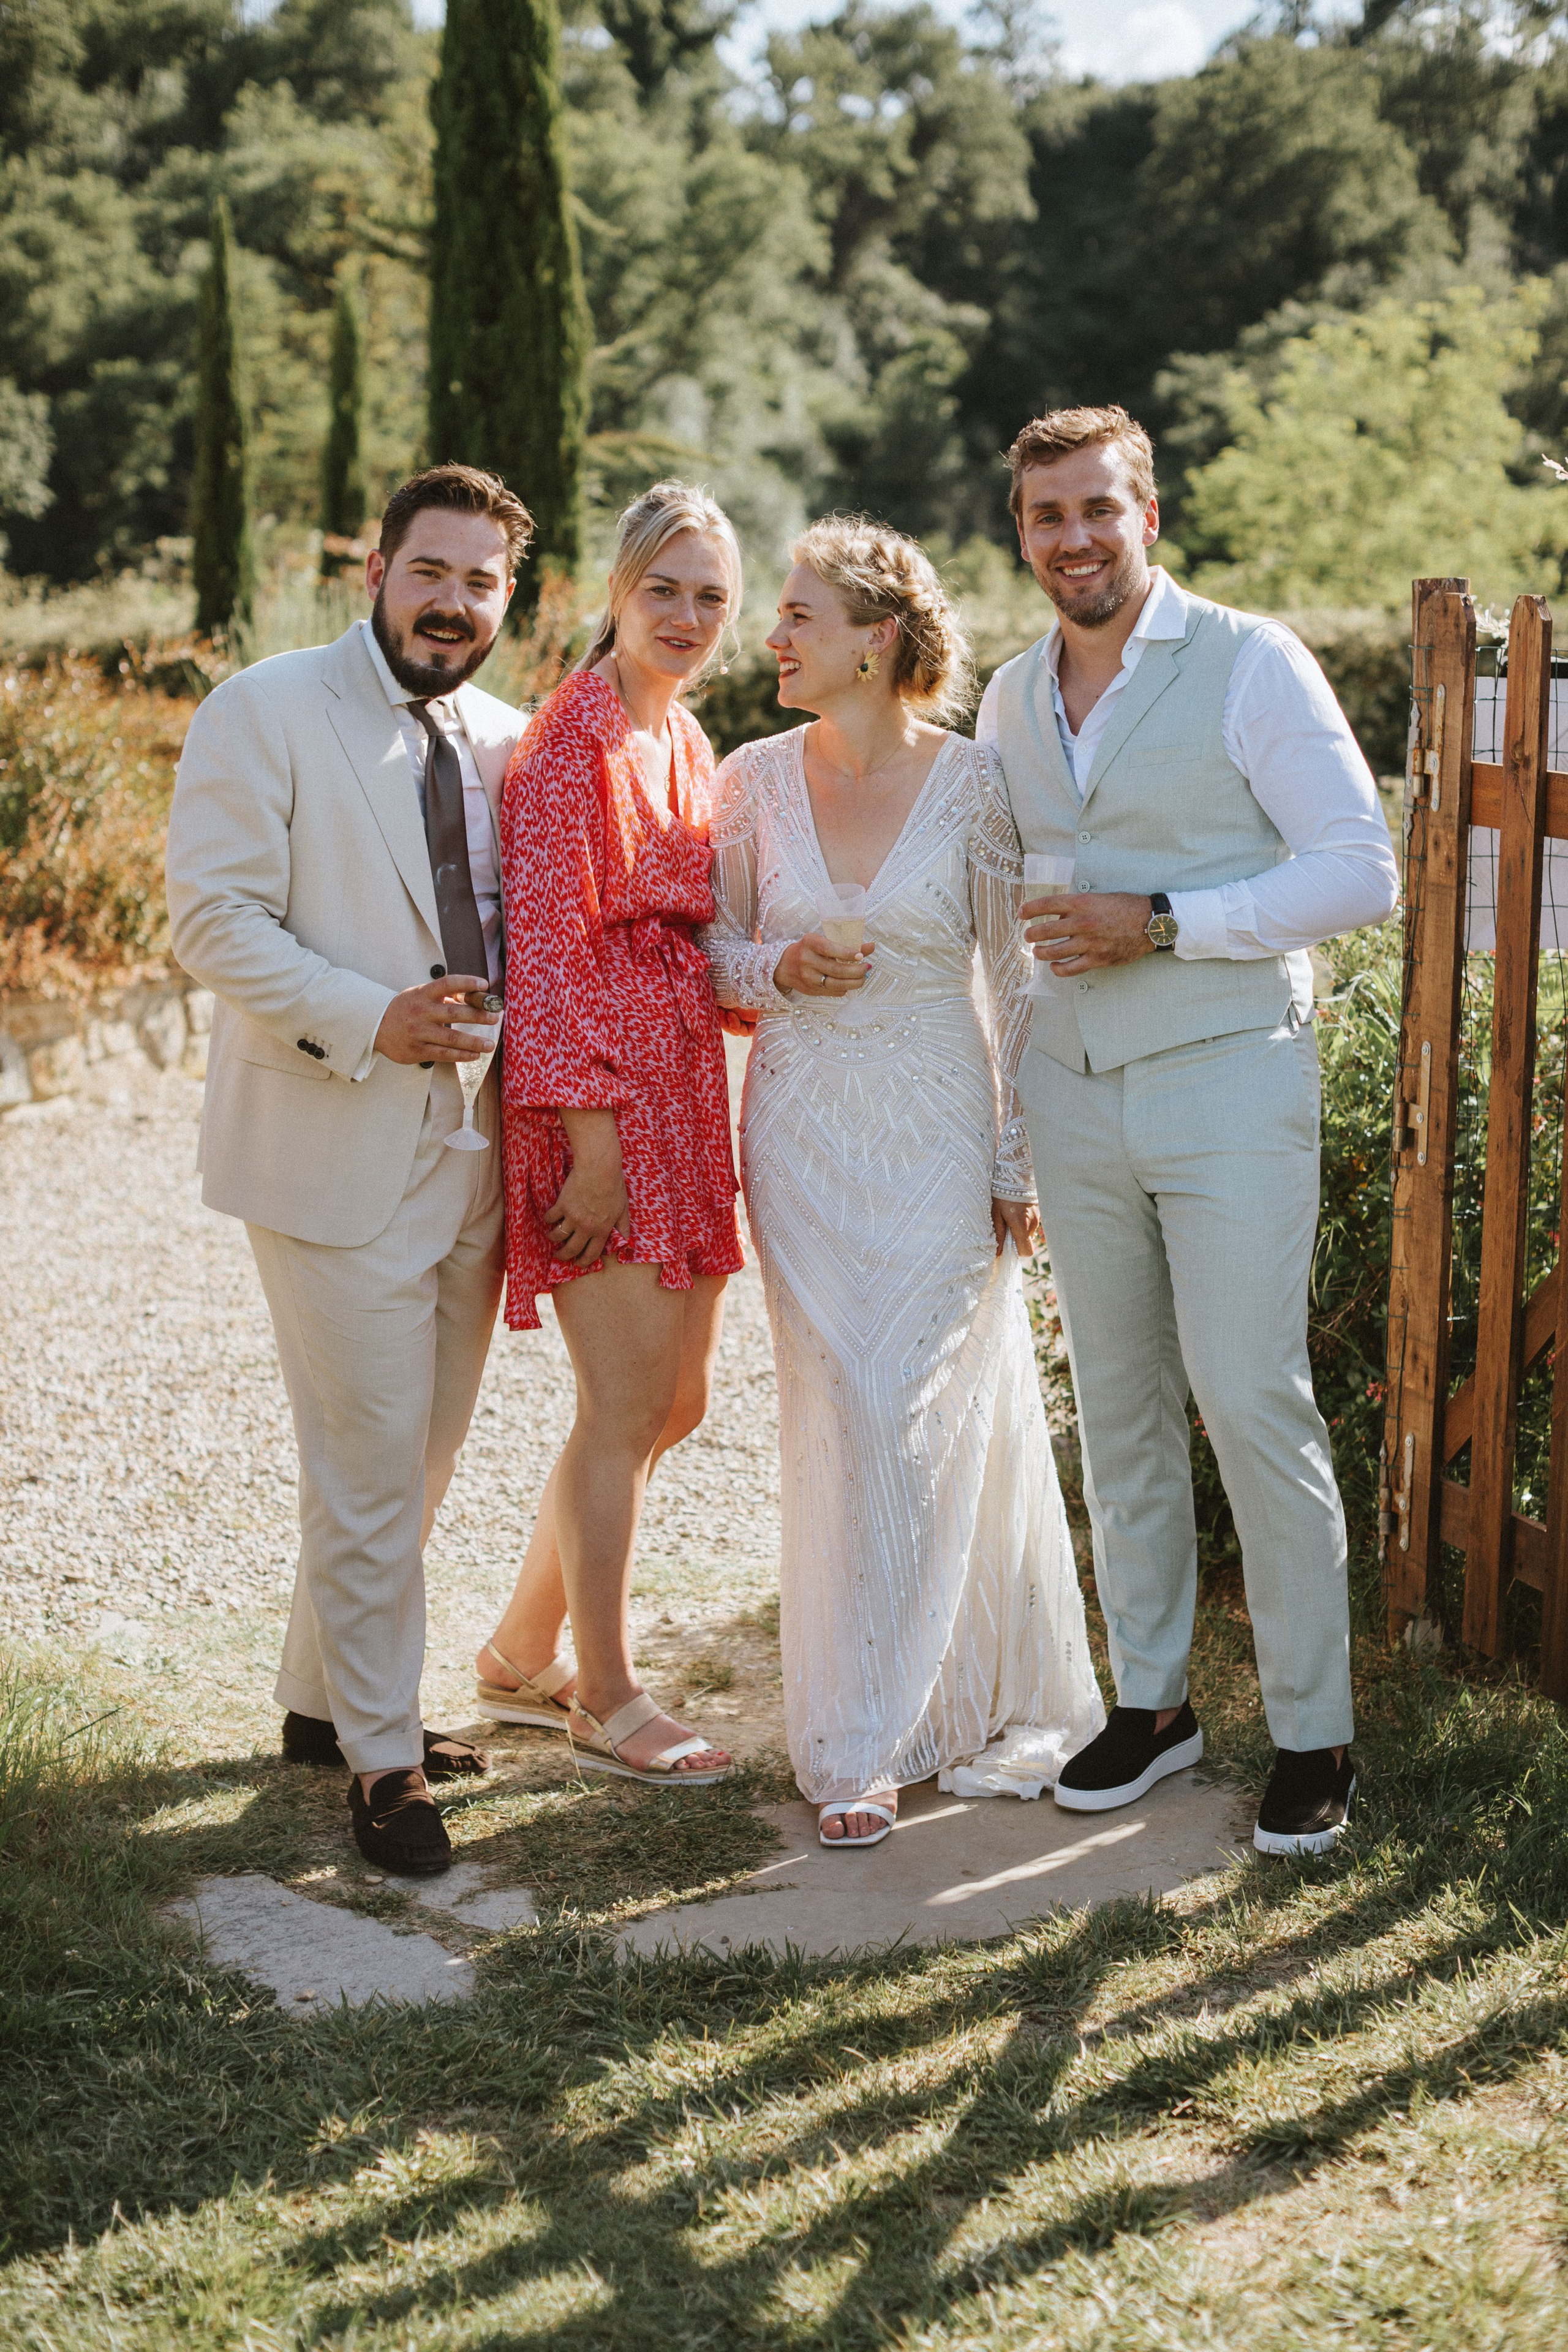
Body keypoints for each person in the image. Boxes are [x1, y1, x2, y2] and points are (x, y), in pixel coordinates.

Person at [978, 404, 1400, 1856]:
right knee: (1117, 1403)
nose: (1073, 538)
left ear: (1147, 514)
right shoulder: (1007, 696)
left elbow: (1356, 871)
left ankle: (1312, 1733)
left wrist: (1160, 921)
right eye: (1046, 516)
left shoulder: (1249, 659)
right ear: (1020, 533)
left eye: (1098, 508)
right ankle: (1151, 1705)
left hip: (1228, 1080)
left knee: (1247, 1397)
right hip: (1072, 1090)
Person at [701, 516, 1105, 1848]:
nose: (773, 637)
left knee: (921, 1410)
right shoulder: (751, 779)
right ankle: (863, 1733)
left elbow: (1020, 975)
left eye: (800, 616)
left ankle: (917, 1709)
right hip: (803, 1131)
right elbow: (708, 955)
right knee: (840, 1411)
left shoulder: (978, 784)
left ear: (877, 640)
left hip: (938, 1129)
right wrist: (774, 973)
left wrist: (1013, 1154)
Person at [166, 462, 533, 1876]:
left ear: (511, 598)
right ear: (374, 569)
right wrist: (369, 1017)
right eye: (429, 572)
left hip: (472, 1156)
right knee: (375, 1462)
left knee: (412, 1458)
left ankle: (321, 1704)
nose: (452, 603)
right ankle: (386, 1765)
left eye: (480, 582)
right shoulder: (263, 709)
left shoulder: (507, 738)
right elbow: (212, 921)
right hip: (328, 1140)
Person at [472, 483, 745, 1785]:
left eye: (709, 597)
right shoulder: (568, 740)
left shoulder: (684, 737)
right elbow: (554, 952)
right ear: (616, 590)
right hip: (598, 1111)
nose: (686, 616)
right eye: (665, 590)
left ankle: (522, 1650)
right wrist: (592, 1146)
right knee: (623, 1399)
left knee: (673, 1403)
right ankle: (603, 1692)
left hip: (682, 1094)